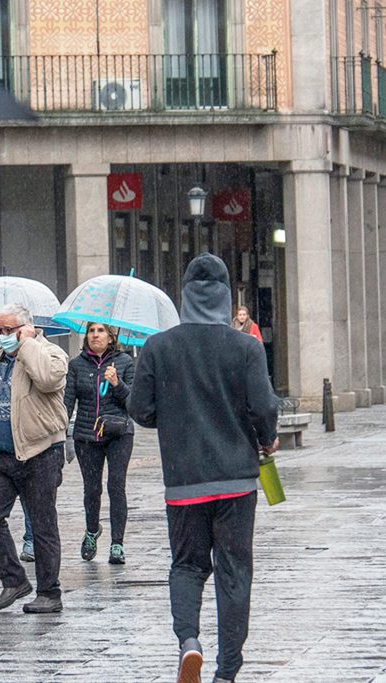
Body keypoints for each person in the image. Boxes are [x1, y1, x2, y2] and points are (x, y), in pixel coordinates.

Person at [128, 253, 279, 683]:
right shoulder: (246, 346)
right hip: (236, 480)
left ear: (186, 296)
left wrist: (174, 417)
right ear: (227, 298)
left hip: (184, 481)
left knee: (187, 566)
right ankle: (227, 670)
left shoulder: (160, 346)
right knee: (234, 571)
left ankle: (188, 643)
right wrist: (266, 437)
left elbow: (141, 408)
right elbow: (263, 406)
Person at [0, 303, 69, 614]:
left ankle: (50, 592)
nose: (4, 336)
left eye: (10, 330)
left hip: (39, 452)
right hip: (3, 454)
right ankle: (14, 580)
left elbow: (47, 379)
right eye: (0, 330)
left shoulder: (50, 353)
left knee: (43, 525)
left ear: (27, 328)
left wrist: (28, 343)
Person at [64, 321, 136, 565]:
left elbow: (133, 403)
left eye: (101, 331)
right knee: (91, 489)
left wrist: (117, 384)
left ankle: (118, 543)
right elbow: (67, 401)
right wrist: (62, 431)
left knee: (117, 486)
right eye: (91, 331)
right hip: (87, 435)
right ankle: (91, 531)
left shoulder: (124, 363)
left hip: (118, 433)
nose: (95, 335)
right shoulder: (76, 365)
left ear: (111, 336)